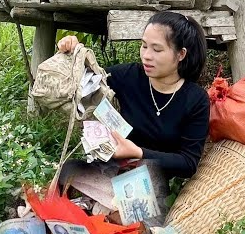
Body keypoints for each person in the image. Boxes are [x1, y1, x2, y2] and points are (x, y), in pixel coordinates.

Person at [57, 10, 209, 178]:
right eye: (144, 46)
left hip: (151, 181)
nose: (146, 56)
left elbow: (188, 163)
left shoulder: (195, 100)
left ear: (181, 54)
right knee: (67, 171)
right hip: (109, 169)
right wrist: (73, 52)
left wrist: (138, 152)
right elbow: (86, 80)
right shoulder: (129, 76)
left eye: (157, 50)